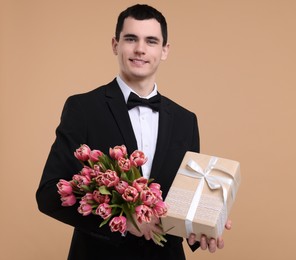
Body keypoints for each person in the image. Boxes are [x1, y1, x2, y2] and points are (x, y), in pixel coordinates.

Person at [36, 4, 231, 260]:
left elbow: (184, 200)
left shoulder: (186, 120)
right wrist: (124, 222)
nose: (140, 49)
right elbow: (49, 193)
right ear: (115, 45)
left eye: (151, 41)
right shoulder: (82, 108)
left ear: (164, 51)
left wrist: (204, 228)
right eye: (131, 39)